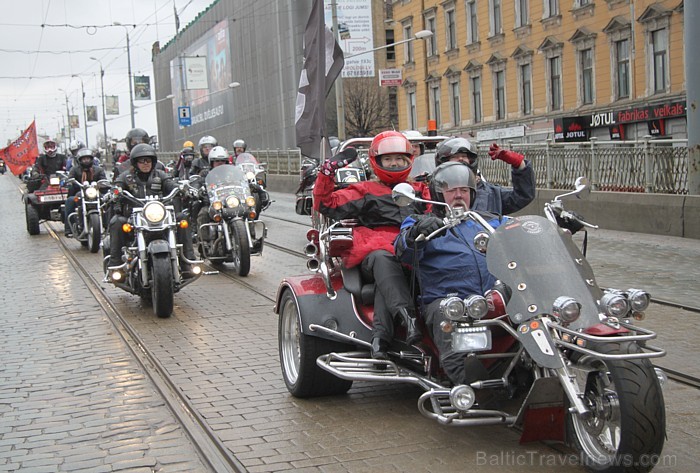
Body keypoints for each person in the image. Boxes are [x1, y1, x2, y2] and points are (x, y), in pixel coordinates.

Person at [313, 130, 430, 360]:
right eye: (388, 159)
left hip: (412, 248)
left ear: (409, 160)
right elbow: (325, 203)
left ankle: (379, 341)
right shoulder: (366, 190)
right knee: (383, 258)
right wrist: (327, 172)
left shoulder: (420, 189)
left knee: (385, 283)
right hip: (373, 250)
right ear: (377, 162)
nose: (394, 163)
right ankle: (408, 319)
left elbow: (436, 213)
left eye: (399, 158)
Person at [395, 161, 503, 386]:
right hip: (447, 298)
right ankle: (470, 389)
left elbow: (517, 233)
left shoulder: (487, 220)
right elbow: (402, 250)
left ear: (472, 194)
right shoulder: (420, 221)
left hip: (490, 297)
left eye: (463, 190)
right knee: (450, 318)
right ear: (437, 193)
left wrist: (553, 226)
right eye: (451, 190)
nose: (458, 195)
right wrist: (415, 233)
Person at [106, 143, 195, 276]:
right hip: (133, 217)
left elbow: (171, 184)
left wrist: (182, 189)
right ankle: (116, 264)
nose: (145, 163)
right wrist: (114, 193)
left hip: (158, 216)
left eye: (148, 160)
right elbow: (117, 186)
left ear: (153, 161)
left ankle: (187, 262)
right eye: (142, 161)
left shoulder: (160, 175)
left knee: (182, 218)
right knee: (116, 222)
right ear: (135, 162)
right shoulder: (126, 177)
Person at [434, 138, 535, 215]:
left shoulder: (492, 194)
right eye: (454, 157)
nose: (460, 159)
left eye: (464, 156)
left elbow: (523, 196)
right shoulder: (435, 193)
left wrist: (519, 164)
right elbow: (421, 218)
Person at [64, 148, 107, 236]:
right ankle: (69, 229)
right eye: (84, 159)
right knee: (69, 201)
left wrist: (102, 184)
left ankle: (107, 225)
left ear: (91, 159)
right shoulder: (74, 170)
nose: (86, 161)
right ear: (80, 160)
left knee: (108, 201)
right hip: (79, 193)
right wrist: (70, 182)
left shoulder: (99, 170)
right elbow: (69, 179)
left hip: (96, 193)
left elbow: (104, 181)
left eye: (88, 158)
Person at [195, 145, 231, 244]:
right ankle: (204, 242)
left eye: (223, 161)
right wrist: (199, 191)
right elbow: (198, 183)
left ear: (227, 162)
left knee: (247, 210)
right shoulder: (205, 174)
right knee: (203, 213)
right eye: (217, 161)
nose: (220, 163)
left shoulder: (231, 173)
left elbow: (241, 181)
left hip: (230, 202)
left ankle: (251, 236)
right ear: (212, 163)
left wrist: (251, 185)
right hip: (213, 204)